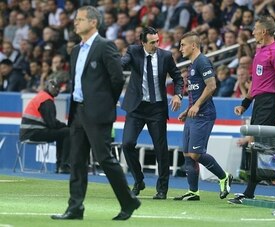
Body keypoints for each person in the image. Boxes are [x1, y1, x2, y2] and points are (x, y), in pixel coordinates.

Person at [50, 6, 140, 221]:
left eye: (80, 19)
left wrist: (105, 103)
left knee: (104, 159)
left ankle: (128, 201)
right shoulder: (75, 50)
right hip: (78, 111)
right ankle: (75, 207)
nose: (75, 23)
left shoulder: (105, 46)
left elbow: (117, 78)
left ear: (93, 22)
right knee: (77, 161)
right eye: (76, 19)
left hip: (98, 113)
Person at [229, 15, 275, 204]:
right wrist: (244, 104)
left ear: (264, 31)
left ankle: (251, 191)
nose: (253, 32)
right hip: (259, 103)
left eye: (255, 29)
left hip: (271, 103)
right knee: (259, 146)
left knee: (260, 146)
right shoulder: (260, 52)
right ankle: (252, 190)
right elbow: (256, 84)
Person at [121, 26, 184, 200]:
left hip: (156, 108)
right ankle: (139, 180)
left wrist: (178, 94)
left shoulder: (165, 56)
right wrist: (114, 64)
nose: (156, 44)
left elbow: (178, 77)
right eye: (152, 42)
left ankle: (162, 189)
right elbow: (123, 62)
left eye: (157, 40)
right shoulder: (134, 51)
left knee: (161, 150)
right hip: (136, 108)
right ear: (142, 43)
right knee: (127, 144)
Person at [174, 31, 233, 201]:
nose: (180, 48)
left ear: (193, 45)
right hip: (193, 114)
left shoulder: (202, 61)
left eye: (183, 45)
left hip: (204, 114)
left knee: (196, 154)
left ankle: (224, 177)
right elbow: (197, 91)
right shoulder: (192, 65)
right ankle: (193, 192)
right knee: (186, 153)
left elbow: (212, 86)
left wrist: (198, 105)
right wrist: (188, 109)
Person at [19, 78, 70, 174]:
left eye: (59, 88)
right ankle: (63, 165)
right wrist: (64, 125)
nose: (58, 90)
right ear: (48, 86)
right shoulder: (46, 100)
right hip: (33, 133)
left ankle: (61, 165)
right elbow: (52, 124)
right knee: (67, 132)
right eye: (56, 87)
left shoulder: (42, 96)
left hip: (28, 132)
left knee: (62, 133)